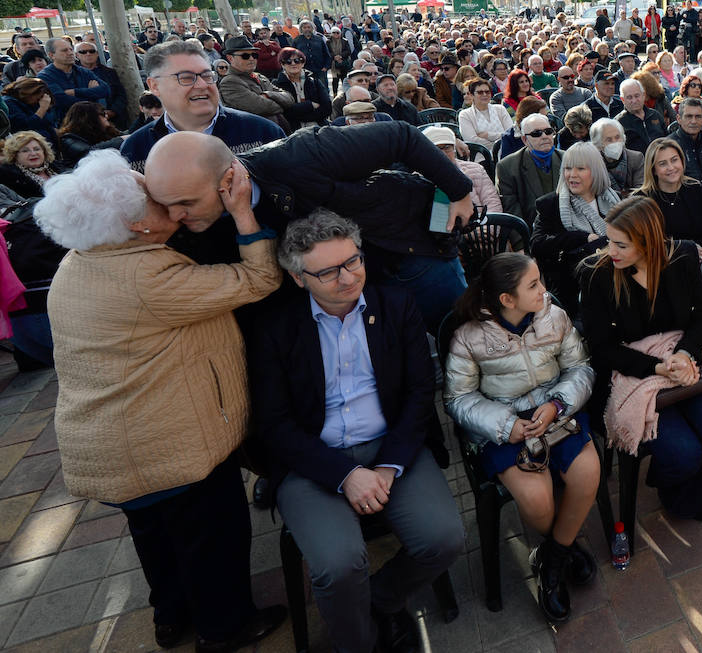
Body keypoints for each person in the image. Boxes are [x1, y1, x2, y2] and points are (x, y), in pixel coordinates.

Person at [37, 151, 287, 652]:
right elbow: (260, 280)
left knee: (155, 535)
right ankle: (224, 628)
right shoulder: (149, 278)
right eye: (157, 202)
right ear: (137, 225)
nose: (174, 211)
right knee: (211, 538)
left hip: (111, 445)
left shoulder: (78, 262)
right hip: (170, 447)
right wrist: (242, 214)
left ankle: (170, 616)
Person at [247, 210, 463, 653]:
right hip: (312, 462)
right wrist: (345, 476)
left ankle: (380, 600)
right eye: (327, 271)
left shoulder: (395, 305)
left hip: (391, 446)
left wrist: (387, 466)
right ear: (298, 278)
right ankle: (359, 643)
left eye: (353, 261)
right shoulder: (275, 327)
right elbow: (274, 424)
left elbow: (420, 393)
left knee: (444, 539)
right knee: (339, 566)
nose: (347, 279)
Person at [142, 123, 474, 328]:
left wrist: (459, 190)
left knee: (460, 336)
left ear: (229, 179)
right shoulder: (194, 225)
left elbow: (401, 137)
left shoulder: (300, 155)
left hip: (409, 255)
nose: (174, 217)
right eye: (166, 205)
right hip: (343, 295)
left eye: (186, 203)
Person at [445, 252, 600, 622]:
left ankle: (551, 561)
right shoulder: (469, 337)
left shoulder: (554, 315)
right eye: (533, 284)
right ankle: (565, 547)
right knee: (537, 500)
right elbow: (459, 398)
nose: (544, 290)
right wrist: (506, 424)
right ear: (506, 299)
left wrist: (559, 405)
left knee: (587, 474)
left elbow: (580, 367)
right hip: (506, 427)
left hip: (557, 413)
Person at [579, 197, 702, 521]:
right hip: (634, 372)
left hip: (682, 360)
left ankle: (679, 497)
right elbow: (601, 346)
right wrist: (655, 367)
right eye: (609, 240)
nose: (611, 251)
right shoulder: (598, 275)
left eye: (621, 244)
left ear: (648, 241)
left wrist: (684, 353)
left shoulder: (682, 256)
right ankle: (675, 487)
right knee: (683, 454)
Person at [121, 40, 286, 172]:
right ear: (154, 86)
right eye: (186, 77)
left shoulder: (263, 133)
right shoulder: (135, 150)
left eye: (207, 75)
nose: (202, 84)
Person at [530, 141, 619, 313]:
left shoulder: (612, 199)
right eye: (568, 168)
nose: (572, 175)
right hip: (573, 285)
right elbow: (537, 244)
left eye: (580, 169)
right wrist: (582, 238)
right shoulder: (550, 204)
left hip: (616, 278)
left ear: (596, 171)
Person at [634, 138, 702, 258]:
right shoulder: (641, 201)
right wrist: (685, 250)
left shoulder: (697, 189)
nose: (671, 167)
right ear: (653, 169)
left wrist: (699, 250)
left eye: (674, 160)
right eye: (662, 163)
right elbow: (644, 241)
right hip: (663, 263)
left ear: (682, 161)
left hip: (700, 256)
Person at [497, 113, 563, 225]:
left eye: (548, 131)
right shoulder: (507, 167)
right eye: (536, 133)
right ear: (524, 140)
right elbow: (512, 214)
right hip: (532, 234)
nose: (544, 136)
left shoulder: (567, 159)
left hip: (570, 231)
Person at [423, 124, 501, 214]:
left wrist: (483, 228)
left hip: (479, 225)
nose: (443, 154)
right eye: (436, 149)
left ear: (454, 149)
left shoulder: (477, 169)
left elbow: (493, 204)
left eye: (447, 147)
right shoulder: (418, 179)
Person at [217, 37, 293, 126]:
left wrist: (268, 95)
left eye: (254, 55)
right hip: (260, 136)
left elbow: (289, 98)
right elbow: (261, 108)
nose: (252, 59)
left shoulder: (260, 76)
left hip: (280, 129)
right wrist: (283, 105)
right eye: (245, 56)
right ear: (230, 58)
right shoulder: (229, 82)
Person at [37, 34, 111, 126]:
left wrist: (75, 92)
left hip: (92, 122)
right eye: (64, 50)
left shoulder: (82, 71)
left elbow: (105, 89)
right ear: (51, 55)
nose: (70, 53)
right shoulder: (45, 76)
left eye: (71, 49)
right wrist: (92, 94)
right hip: (66, 125)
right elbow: (62, 100)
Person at [272, 46, 331, 131]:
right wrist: (310, 105)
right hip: (292, 131)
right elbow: (284, 112)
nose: (293, 64)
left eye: (297, 60)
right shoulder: (277, 84)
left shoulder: (314, 82)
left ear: (303, 63)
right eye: (288, 61)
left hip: (318, 129)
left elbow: (327, 108)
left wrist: (299, 113)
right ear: (282, 64)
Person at [54, 100, 120, 166]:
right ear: (90, 118)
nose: (106, 116)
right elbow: (89, 152)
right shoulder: (68, 139)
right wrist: (120, 139)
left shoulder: (104, 131)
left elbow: (125, 135)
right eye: (102, 114)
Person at [590, 116, 644, 195]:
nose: (615, 142)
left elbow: (640, 190)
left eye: (617, 137)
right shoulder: (593, 163)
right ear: (598, 144)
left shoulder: (636, 158)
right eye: (609, 139)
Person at [458, 76, 514, 149]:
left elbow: (511, 134)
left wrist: (488, 135)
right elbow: (472, 141)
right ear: (472, 95)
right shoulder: (465, 115)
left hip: (506, 151)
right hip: (481, 156)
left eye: (487, 92)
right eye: (480, 92)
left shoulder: (500, 109)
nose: (484, 95)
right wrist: (500, 141)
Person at [2, 77, 58, 144]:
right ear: (29, 93)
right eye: (38, 98)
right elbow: (25, 127)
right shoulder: (9, 102)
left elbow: (48, 123)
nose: (40, 100)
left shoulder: (32, 103)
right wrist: (42, 108)